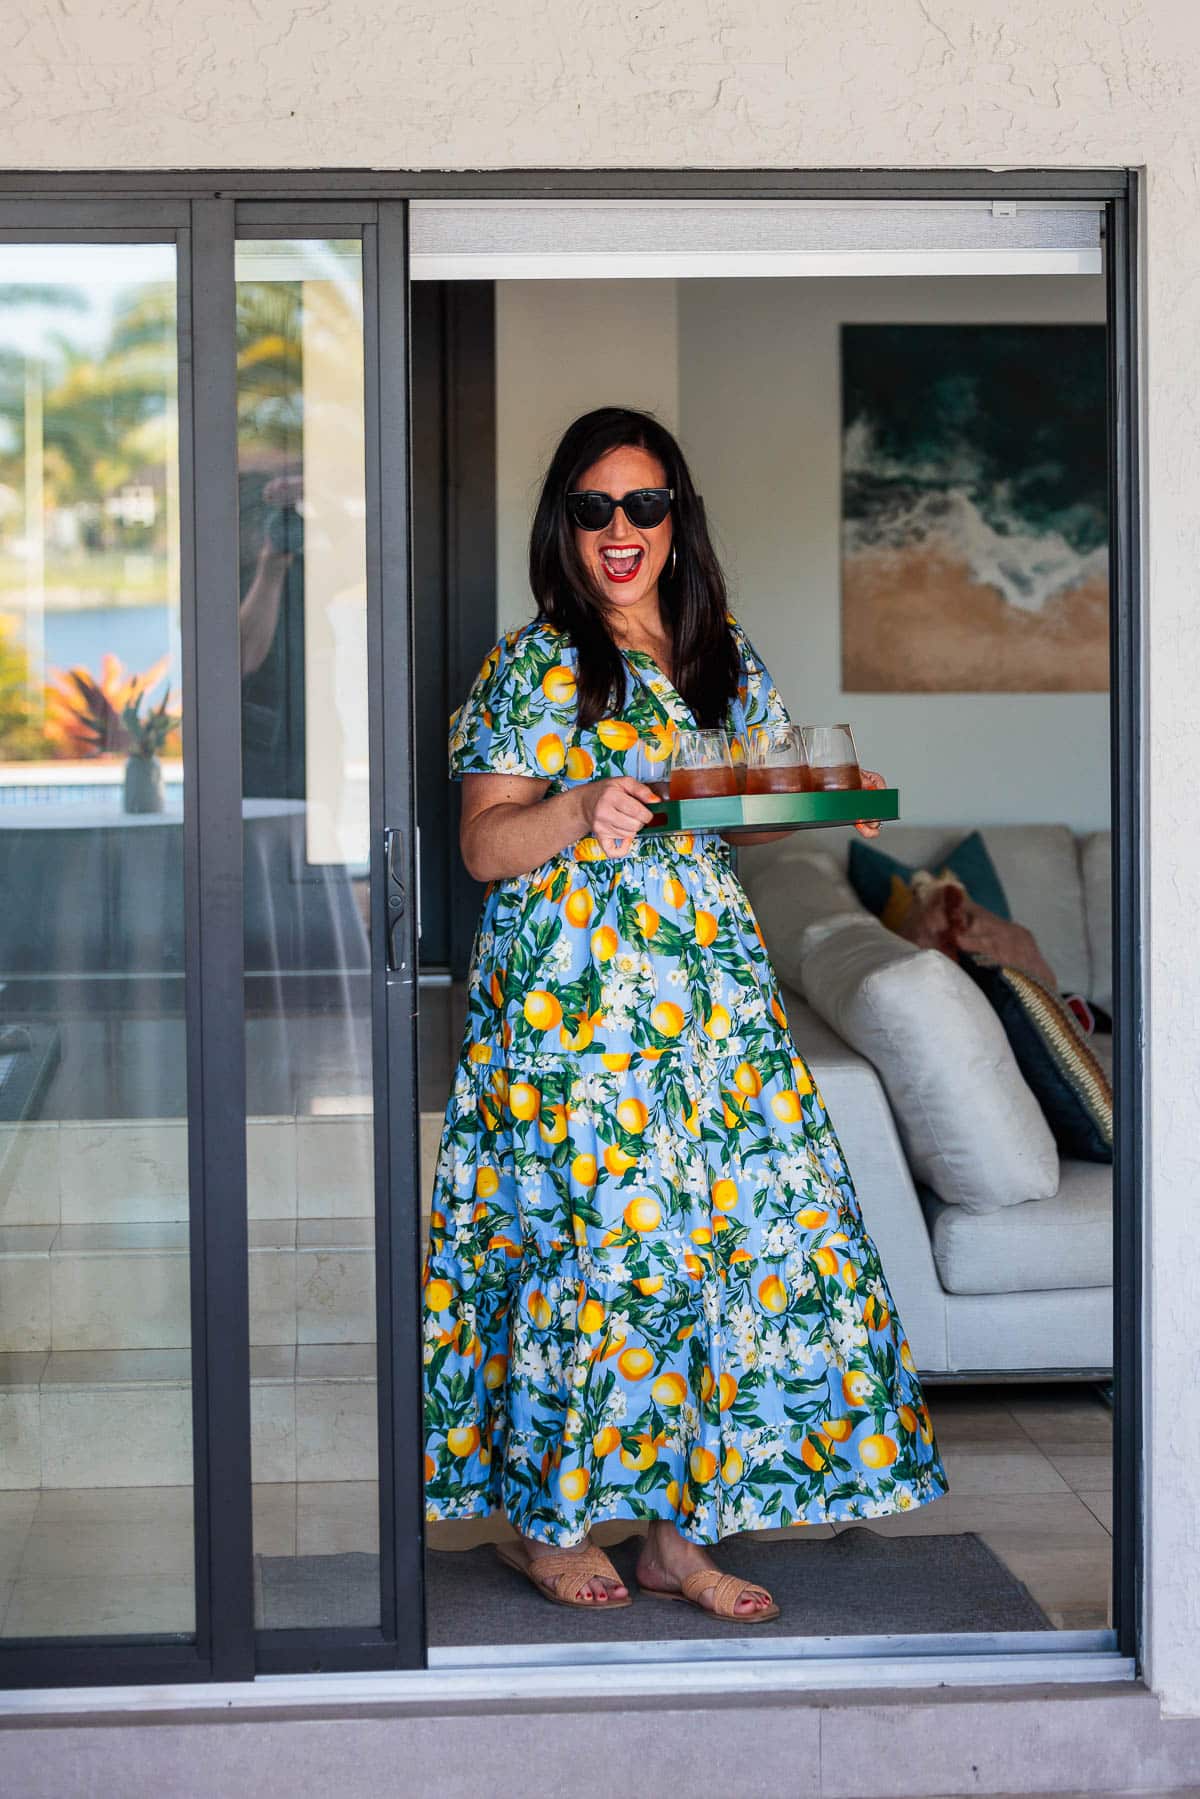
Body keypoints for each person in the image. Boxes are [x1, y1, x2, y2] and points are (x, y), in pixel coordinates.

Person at [421, 406, 949, 1622]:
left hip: (708, 1011)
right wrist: (582, 805)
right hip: (571, 1022)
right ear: (566, 523)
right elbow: (484, 844)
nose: (621, 530)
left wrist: (821, 804)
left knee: (716, 1254)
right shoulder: (533, 661)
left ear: (676, 519)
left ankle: (674, 1533)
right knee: (581, 1256)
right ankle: (544, 1524)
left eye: (644, 505)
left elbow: (734, 811)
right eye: (596, 507)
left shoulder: (723, 655)